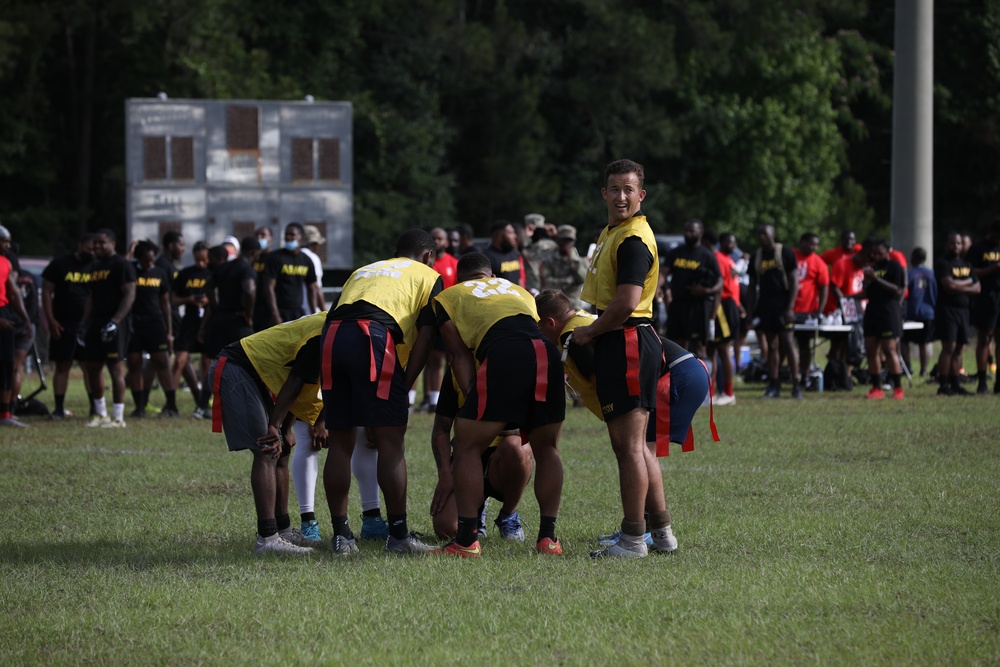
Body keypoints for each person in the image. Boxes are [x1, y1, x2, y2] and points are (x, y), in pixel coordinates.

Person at [537, 289, 714, 550]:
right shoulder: (584, 320)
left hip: (675, 375)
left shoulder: (572, 337)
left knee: (638, 451)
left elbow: (602, 377)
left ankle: (641, 533)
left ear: (550, 323)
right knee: (640, 450)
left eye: (538, 327)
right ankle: (649, 531)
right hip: (684, 370)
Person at [431, 252, 565, 557]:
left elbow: (458, 355)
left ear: (459, 279)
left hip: (504, 355)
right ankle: (548, 539)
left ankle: (466, 541)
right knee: (548, 449)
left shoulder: (449, 296)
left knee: (466, 445)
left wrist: (472, 394)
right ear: (491, 276)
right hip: (546, 353)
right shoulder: (517, 290)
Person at [320, 229, 442, 555]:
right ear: (428, 255)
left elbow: (332, 315)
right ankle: (399, 536)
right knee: (391, 441)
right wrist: (404, 384)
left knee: (341, 441)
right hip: (371, 337)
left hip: (331, 338)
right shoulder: (429, 275)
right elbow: (427, 337)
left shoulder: (363, 269)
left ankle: (341, 536)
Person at [572, 158, 672, 558]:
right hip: (625, 340)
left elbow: (628, 302)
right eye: (614, 189)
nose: (621, 196)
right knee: (637, 445)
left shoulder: (632, 238)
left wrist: (590, 332)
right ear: (604, 193)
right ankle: (661, 534)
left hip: (627, 339)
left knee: (629, 446)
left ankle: (634, 540)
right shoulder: (614, 232)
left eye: (629, 189)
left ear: (641, 194)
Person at [208, 312, 327, 556]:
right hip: (237, 369)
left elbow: (301, 383)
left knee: (281, 448)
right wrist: (276, 425)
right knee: (268, 448)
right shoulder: (322, 335)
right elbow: (295, 382)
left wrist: (285, 427)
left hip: (256, 375)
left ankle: (282, 531)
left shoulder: (332, 325)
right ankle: (267, 538)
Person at [429, 364, 533, 542]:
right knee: (446, 528)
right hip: (466, 458)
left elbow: (529, 431)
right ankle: (475, 511)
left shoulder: (516, 367)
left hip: (502, 459)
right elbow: (441, 429)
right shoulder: (456, 371)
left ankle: (508, 515)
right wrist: (445, 474)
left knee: (518, 448)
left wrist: (485, 431)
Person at [79, 229, 136, 427]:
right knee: (93, 367)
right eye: (95, 243)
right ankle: (100, 413)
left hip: (115, 323)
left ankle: (118, 417)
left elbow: (129, 294)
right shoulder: (95, 267)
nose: (97, 247)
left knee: (115, 368)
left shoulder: (122, 264)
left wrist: (116, 321)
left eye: (101, 243)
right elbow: (92, 298)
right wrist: (83, 324)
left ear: (112, 243)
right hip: (96, 322)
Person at [42, 233, 96, 418]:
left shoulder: (96, 266)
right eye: (88, 248)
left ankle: (95, 407)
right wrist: (51, 320)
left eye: (94, 249)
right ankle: (58, 408)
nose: (92, 252)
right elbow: (47, 291)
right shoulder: (60, 264)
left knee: (89, 366)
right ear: (80, 245)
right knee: (62, 365)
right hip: (63, 323)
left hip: (88, 325)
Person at [126, 240, 179, 418]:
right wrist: (129, 251)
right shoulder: (131, 270)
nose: (150, 264)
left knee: (162, 362)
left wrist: (169, 330)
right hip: (134, 323)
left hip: (155, 323)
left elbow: (165, 304)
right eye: (146, 260)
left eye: (152, 260)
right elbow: (121, 267)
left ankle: (171, 405)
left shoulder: (159, 273)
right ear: (138, 258)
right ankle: (139, 406)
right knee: (134, 364)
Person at [748, 224, 801, 399]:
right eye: (759, 233)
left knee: (788, 342)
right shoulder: (756, 256)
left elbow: (794, 281)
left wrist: (790, 307)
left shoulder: (785, 252)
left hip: (783, 303)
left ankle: (796, 384)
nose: (762, 236)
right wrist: (750, 312)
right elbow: (752, 286)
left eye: (765, 233)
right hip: (765, 303)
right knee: (772, 346)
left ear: (773, 234)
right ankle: (773, 384)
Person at [662, 219, 722, 360]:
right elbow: (663, 274)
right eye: (686, 231)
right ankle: (680, 380)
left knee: (700, 347)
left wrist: (707, 291)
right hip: (678, 305)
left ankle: (705, 381)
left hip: (697, 308)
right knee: (677, 347)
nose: (688, 234)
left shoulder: (707, 256)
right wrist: (655, 288)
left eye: (692, 231)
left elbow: (720, 281)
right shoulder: (676, 252)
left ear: (700, 233)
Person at [418, 227, 460, 414]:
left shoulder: (455, 263)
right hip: (424, 315)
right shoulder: (423, 264)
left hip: (446, 316)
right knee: (422, 359)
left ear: (447, 242)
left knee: (440, 360)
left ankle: (437, 401)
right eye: (434, 238)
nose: (438, 241)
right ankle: (417, 400)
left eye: (441, 238)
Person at [934, 232, 980, 396]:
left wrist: (960, 285)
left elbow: (978, 288)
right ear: (947, 244)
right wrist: (967, 283)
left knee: (959, 348)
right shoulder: (942, 263)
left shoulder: (966, 263)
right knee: (949, 347)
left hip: (964, 311)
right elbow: (949, 286)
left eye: (959, 243)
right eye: (953, 243)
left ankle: (956, 383)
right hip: (947, 310)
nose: (957, 246)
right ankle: (943, 385)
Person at [861, 238, 907, 400]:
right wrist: (865, 282)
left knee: (889, 349)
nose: (877, 255)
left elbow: (897, 290)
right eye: (875, 252)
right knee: (871, 350)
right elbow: (866, 292)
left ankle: (898, 388)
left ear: (888, 251)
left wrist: (876, 279)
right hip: (872, 311)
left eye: (880, 252)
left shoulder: (895, 267)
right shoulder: (872, 268)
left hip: (889, 311)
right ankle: (876, 388)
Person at [172, 241, 212, 418]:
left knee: (206, 362)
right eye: (197, 260)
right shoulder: (185, 274)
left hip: (209, 321)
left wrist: (208, 301)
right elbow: (173, 301)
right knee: (180, 360)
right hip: (189, 321)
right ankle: (171, 403)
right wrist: (188, 299)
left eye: (204, 260)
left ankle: (204, 403)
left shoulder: (214, 273)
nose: (200, 264)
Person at [202, 239, 258, 362]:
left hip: (220, 319)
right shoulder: (246, 269)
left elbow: (208, 286)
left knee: (218, 364)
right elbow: (249, 290)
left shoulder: (224, 267)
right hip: (237, 321)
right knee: (249, 360)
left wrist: (216, 306)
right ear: (254, 253)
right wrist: (248, 315)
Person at [0, 225, 33, 427]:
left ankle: (5, 415)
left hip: (4, 313)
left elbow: (13, 293)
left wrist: (25, 318)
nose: (8, 245)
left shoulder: (6, 263)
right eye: (4, 241)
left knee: (6, 366)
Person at [259, 222, 318, 329]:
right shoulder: (275, 258)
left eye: (292, 234)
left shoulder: (306, 260)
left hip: (297, 313)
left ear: (301, 237)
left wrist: (314, 314)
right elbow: (269, 287)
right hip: (279, 311)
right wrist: (275, 314)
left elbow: (312, 288)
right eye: (286, 234)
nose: (288, 237)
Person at [705, 230, 740, 405]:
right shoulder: (722, 258)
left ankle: (728, 393)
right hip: (718, 306)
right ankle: (710, 392)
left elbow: (721, 286)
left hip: (723, 307)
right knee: (711, 349)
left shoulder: (717, 258)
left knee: (723, 349)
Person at [792, 232, 830, 381]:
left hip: (807, 310)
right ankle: (776, 374)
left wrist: (819, 311)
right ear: (802, 242)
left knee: (804, 345)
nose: (814, 247)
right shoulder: (790, 256)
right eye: (811, 244)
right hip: (788, 309)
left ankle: (803, 373)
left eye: (816, 245)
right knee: (782, 344)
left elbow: (824, 287)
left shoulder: (818, 262)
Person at [968, 220, 1000, 394]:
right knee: (984, 339)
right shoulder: (979, 248)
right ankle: (982, 381)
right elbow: (972, 272)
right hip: (986, 297)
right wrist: (993, 269)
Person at [902, 247, 937, 377]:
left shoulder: (909, 274)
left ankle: (908, 367)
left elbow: (905, 293)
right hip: (928, 313)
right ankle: (924, 369)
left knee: (904, 340)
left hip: (912, 313)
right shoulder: (932, 274)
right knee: (925, 343)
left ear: (913, 258)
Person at [540, 224, 589, 309]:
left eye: (569, 240)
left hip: (574, 305)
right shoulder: (549, 261)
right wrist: (569, 281)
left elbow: (584, 280)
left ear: (573, 242)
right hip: (554, 306)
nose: (566, 243)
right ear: (558, 241)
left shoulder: (580, 262)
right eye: (564, 240)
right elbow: (546, 282)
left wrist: (572, 261)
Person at [481, 221, 523, 285]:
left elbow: (518, 279)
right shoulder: (487, 258)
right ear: (499, 236)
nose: (515, 236)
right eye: (510, 233)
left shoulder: (512, 253)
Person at [301, 224, 327, 313]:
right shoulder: (312, 258)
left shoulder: (295, 257)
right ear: (314, 243)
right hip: (309, 309)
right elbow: (315, 286)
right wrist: (324, 312)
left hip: (296, 309)